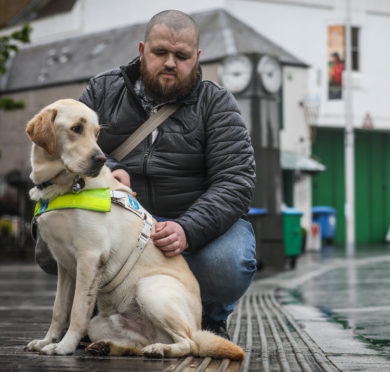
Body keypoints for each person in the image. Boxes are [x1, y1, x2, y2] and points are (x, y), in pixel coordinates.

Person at [36, 9, 257, 339]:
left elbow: (236, 180)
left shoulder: (217, 103)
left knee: (228, 262)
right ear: (142, 51)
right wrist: (110, 169)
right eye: (160, 53)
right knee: (49, 244)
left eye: (181, 56)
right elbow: (70, 144)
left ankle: (207, 316)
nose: (170, 62)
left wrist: (188, 227)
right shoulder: (102, 89)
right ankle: (105, 308)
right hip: (117, 225)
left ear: (196, 58)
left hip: (189, 222)